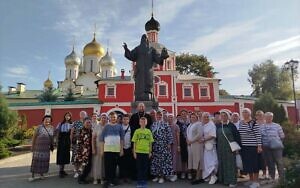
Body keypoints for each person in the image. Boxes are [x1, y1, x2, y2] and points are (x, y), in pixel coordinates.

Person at [123, 34, 169, 101]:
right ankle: (139, 96)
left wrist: (163, 56)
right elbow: (131, 56)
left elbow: (158, 59)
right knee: (139, 85)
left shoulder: (151, 49)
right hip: (140, 72)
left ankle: (149, 96)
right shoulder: (138, 49)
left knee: (148, 84)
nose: (145, 40)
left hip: (148, 71)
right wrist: (126, 49)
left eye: (146, 38)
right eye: (143, 38)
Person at [239, 108, 262, 188]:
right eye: (243, 112)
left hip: (253, 147)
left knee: (254, 164)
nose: (244, 113)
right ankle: (251, 180)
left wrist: (259, 146)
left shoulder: (253, 123)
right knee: (248, 164)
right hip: (244, 147)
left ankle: (256, 182)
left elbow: (258, 135)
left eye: (246, 112)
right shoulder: (241, 123)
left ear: (250, 113)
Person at [100, 112, 125, 187]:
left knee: (114, 166)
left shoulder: (119, 127)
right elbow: (101, 139)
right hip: (107, 150)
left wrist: (121, 150)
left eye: (114, 117)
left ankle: (113, 180)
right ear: (109, 118)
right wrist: (102, 151)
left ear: (116, 118)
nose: (113, 118)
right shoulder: (106, 127)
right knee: (108, 166)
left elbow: (122, 139)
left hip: (116, 150)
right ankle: (108, 181)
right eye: (111, 117)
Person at [217, 111, 241, 187]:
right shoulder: (218, 125)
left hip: (230, 148)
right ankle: (224, 180)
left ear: (228, 117)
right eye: (222, 115)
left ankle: (232, 181)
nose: (223, 117)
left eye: (225, 115)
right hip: (221, 148)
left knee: (231, 164)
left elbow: (237, 137)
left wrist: (237, 149)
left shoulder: (231, 125)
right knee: (222, 163)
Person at [151, 111, 174, 184]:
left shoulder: (165, 124)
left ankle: (162, 177)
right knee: (156, 161)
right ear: (156, 116)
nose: (159, 117)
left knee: (163, 161)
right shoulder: (153, 125)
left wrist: (169, 144)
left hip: (163, 146)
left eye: (160, 115)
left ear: (162, 116)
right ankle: (157, 176)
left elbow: (169, 135)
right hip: (155, 146)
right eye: (158, 115)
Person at [261, 112, 285, 183]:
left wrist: (277, 142)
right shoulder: (262, 126)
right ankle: (272, 177)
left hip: (277, 147)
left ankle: (282, 178)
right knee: (270, 163)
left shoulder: (277, 126)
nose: (268, 118)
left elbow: (282, 136)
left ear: (272, 117)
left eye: (270, 117)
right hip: (266, 147)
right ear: (265, 118)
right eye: (267, 117)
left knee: (279, 162)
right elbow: (260, 136)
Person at [29, 115, 54, 182]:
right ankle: (32, 176)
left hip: (46, 148)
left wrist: (52, 146)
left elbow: (52, 138)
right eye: (46, 119)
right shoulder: (39, 127)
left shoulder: (51, 128)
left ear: (50, 121)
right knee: (35, 161)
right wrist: (32, 146)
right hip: (38, 148)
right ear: (43, 120)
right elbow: (34, 137)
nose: (47, 120)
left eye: (49, 119)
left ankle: (41, 175)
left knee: (44, 161)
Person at [132, 117, 154, 188]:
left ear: (146, 123)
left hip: (146, 152)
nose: (143, 123)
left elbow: (151, 142)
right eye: (141, 122)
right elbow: (134, 142)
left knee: (145, 168)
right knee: (139, 168)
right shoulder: (137, 131)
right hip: (138, 152)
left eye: (144, 122)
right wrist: (134, 152)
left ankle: (144, 181)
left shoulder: (148, 131)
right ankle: (139, 181)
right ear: (139, 123)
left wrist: (150, 152)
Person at [186, 113, 204, 184]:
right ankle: (196, 176)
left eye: (194, 117)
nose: (192, 118)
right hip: (190, 145)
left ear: (197, 118)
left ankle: (198, 177)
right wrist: (187, 140)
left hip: (196, 144)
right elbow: (187, 134)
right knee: (193, 160)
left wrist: (191, 141)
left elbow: (199, 134)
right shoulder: (190, 125)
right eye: (191, 117)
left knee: (198, 160)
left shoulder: (199, 124)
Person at [202, 112, 218, 185]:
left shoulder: (211, 124)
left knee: (211, 161)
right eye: (204, 117)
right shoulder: (204, 124)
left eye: (207, 117)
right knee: (207, 161)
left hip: (210, 145)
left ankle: (213, 176)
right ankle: (209, 175)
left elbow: (213, 135)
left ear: (209, 117)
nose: (206, 118)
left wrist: (204, 139)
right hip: (206, 145)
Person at [76, 117, 93, 184]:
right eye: (87, 122)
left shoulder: (91, 130)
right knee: (83, 165)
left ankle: (83, 178)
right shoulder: (81, 130)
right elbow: (79, 142)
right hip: (83, 152)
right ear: (84, 123)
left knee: (88, 166)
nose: (88, 124)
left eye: (89, 122)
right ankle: (81, 179)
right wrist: (80, 152)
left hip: (89, 150)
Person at [71, 111, 87, 178]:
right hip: (77, 142)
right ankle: (76, 171)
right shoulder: (76, 122)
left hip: (85, 143)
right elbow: (72, 133)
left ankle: (81, 170)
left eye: (84, 114)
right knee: (75, 157)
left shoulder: (87, 122)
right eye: (81, 114)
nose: (83, 115)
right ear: (79, 115)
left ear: (86, 115)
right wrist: (71, 142)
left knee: (83, 157)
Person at [56, 112, 72, 178]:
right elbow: (57, 132)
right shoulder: (60, 124)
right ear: (64, 116)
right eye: (66, 115)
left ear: (70, 117)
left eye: (69, 116)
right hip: (61, 140)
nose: (67, 117)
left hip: (67, 141)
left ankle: (63, 170)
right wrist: (56, 141)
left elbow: (72, 133)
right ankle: (60, 171)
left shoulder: (71, 124)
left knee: (65, 155)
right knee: (61, 155)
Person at [119, 114, 134, 182]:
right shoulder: (119, 127)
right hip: (121, 148)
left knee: (129, 162)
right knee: (121, 163)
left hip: (129, 147)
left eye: (127, 119)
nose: (125, 120)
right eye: (124, 119)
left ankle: (128, 176)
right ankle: (122, 176)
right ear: (122, 120)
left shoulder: (132, 128)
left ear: (129, 120)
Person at [91, 113, 104, 185]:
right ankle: (95, 178)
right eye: (102, 117)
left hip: (105, 147)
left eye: (105, 117)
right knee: (96, 163)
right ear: (100, 118)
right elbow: (93, 138)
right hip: (97, 146)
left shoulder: (107, 126)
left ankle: (102, 177)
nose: (104, 118)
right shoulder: (96, 126)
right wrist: (93, 148)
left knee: (103, 163)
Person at [177, 109, 190, 179]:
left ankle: (189, 172)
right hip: (182, 142)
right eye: (182, 114)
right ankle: (183, 172)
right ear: (181, 115)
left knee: (189, 158)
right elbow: (177, 134)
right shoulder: (178, 123)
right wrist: (178, 145)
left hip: (189, 142)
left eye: (185, 113)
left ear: (187, 115)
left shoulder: (190, 123)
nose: (184, 115)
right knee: (183, 158)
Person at [167, 113, 181, 181]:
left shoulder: (176, 126)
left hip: (174, 144)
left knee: (174, 159)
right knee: (169, 159)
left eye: (171, 117)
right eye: (169, 117)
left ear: (173, 118)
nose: (170, 118)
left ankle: (175, 174)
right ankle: (170, 173)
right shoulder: (166, 126)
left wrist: (178, 145)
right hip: (167, 145)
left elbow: (178, 136)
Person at [255, 110, 268, 180]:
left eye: (260, 115)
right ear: (256, 116)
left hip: (264, 143)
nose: (259, 116)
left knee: (264, 159)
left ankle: (264, 173)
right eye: (257, 115)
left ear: (263, 116)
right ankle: (257, 174)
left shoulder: (266, 123)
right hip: (255, 143)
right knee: (257, 159)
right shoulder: (254, 123)